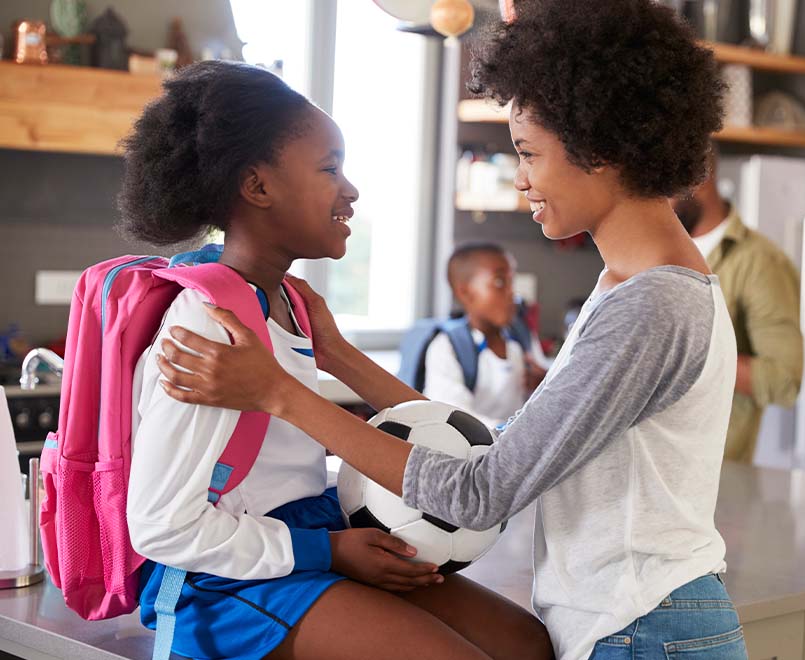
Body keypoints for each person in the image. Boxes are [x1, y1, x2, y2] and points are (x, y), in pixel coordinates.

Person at [157, 3, 749, 659]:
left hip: (643, 628)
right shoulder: (631, 287)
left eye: (528, 153)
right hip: (637, 619)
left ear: (600, 148)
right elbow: (509, 449)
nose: (521, 178)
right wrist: (341, 358)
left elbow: (483, 489)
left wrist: (283, 394)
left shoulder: (651, 306)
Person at [120, 60, 552, 660]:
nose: (350, 189)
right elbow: (162, 527)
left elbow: (445, 439)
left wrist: (338, 354)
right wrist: (329, 552)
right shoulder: (208, 322)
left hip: (311, 541)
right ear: (257, 185)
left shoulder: (290, 305)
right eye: (330, 168)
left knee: (524, 645)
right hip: (221, 582)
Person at [674, 155, 803, 463]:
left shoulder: (761, 262)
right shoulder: (656, 251)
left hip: (719, 476)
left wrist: (682, 355)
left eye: (662, 189)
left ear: (700, 177)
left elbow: (784, 381)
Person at [422, 242, 547, 428]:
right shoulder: (447, 348)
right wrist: (515, 432)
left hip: (518, 449)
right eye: (499, 282)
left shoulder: (522, 337)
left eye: (511, 281)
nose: (511, 292)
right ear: (465, 292)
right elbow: (454, 420)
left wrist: (544, 383)